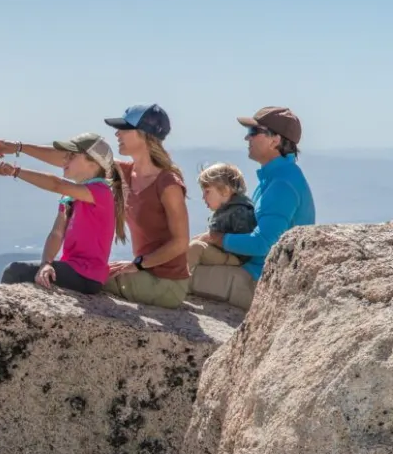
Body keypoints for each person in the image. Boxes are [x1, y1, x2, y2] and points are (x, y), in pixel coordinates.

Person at [190, 106, 315, 310]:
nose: (247, 138)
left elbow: (263, 244)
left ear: (275, 140)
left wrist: (216, 238)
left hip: (260, 283)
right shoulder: (277, 177)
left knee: (177, 278)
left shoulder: (281, 185)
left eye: (254, 132)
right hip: (254, 273)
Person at [0, 132, 124, 295]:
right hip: (73, 270)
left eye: (71, 156)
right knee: (18, 272)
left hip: (86, 275)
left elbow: (56, 184)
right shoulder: (70, 197)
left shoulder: (101, 192)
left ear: (94, 162)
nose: (64, 160)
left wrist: (15, 171)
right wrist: (46, 263)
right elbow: (56, 234)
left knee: (14, 271)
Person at [100, 104, 192, 308]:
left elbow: (181, 242)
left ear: (144, 134)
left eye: (124, 128)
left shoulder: (168, 183)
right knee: (83, 272)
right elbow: (77, 157)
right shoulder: (127, 171)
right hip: (147, 276)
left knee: (85, 277)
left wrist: (138, 264)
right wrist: (18, 149)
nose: (117, 133)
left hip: (165, 285)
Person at [186, 163, 256, 271]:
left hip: (235, 259)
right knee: (190, 244)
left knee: (196, 248)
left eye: (207, 192)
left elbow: (245, 245)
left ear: (225, 190)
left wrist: (212, 240)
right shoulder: (224, 211)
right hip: (224, 254)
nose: (203, 197)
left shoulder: (240, 211)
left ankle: (178, 282)